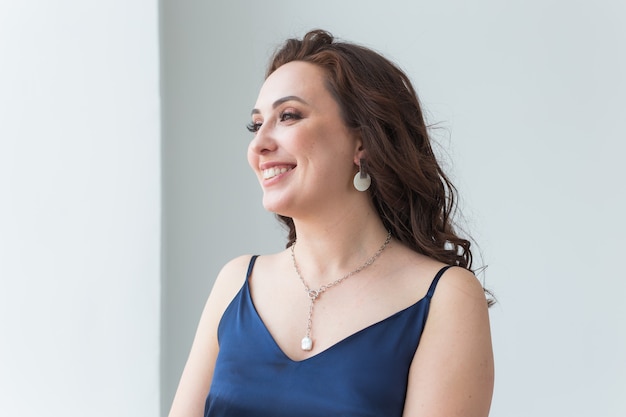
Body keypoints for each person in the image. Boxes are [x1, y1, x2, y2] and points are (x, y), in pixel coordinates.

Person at [169, 29, 494, 417]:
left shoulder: (444, 297)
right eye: (256, 125)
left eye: (288, 116)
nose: (259, 145)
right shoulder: (236, 281)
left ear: (363, 143)